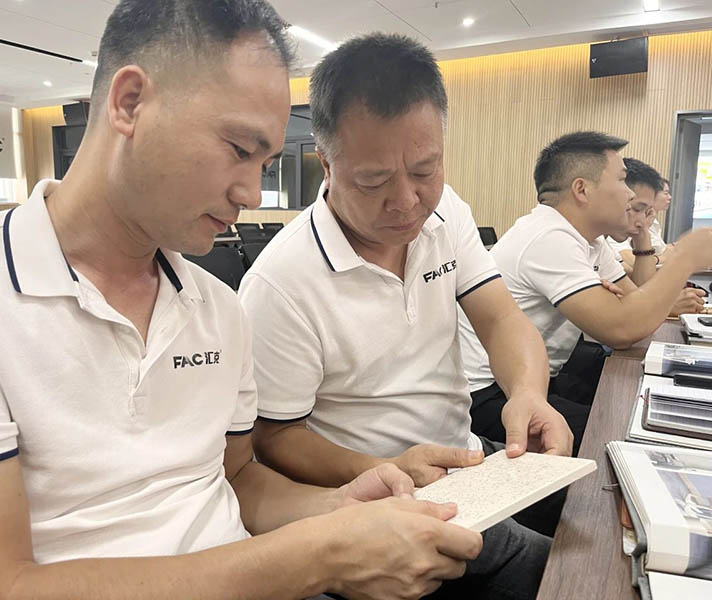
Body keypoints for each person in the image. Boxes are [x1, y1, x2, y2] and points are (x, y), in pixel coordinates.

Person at [0, 3, 485, 599]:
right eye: (238, 149)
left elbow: (237, 480)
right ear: (129, 103)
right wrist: (322, 553)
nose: (252, 192)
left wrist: (339, 508)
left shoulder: (217, 308)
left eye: (265, 162)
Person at [240, 33, 573, 600]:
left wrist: (528, 393)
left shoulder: (446, 212)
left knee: (607, 521)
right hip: (380, 495)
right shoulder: (281, 284)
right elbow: (274, 438)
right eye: (373, 180)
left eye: (425, 169)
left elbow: (499, 319)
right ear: (326, 164)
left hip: (468, 462)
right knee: (569, 577)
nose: (407, 201)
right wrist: (385, 467)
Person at [459, 132, 712, 452]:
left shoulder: (589, 240)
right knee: (616, 433)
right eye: (621, 180)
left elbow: (634, 305)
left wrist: (630, 308)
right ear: (582, 189)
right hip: (490, 392)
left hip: (535, 380)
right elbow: (623, 327)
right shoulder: (549, 235)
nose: (628, 193)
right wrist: (686, 258)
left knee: (629, 407)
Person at [606, 158, 705, 313]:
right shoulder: (573, 240)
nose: (641, 221)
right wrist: (684, 260)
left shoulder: (598, 245)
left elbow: (639, 292)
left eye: (646, 212)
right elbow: (622, 314)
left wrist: (643, 232)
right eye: (636, 209)